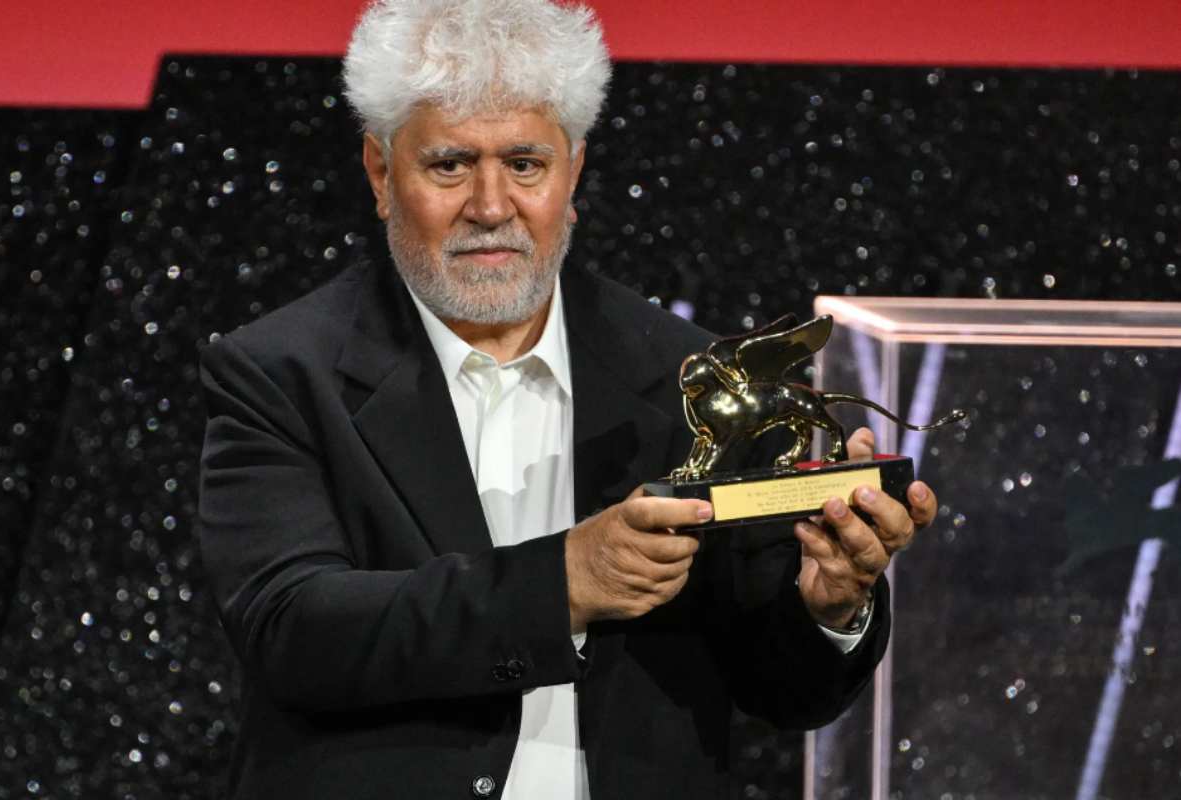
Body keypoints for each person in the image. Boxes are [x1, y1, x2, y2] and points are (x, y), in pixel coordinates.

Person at [195, 0, 938, 797]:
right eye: (449, 164)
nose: (489, 206)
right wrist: (563, 585)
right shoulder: (279, 370)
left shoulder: (693, 375)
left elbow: (784, 693)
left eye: (524, 164)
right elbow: (293, 633)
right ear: (381, 173)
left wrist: (828, 606)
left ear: (573, 171)